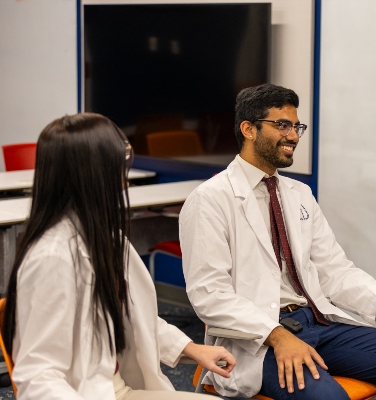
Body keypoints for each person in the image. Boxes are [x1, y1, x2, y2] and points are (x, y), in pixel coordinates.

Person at [180, 83, 376, 400]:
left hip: (319, 322)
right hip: (258, 339)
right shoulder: (210, 200)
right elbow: (209, 294)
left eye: (297, 126)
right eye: (282, 125)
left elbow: (333, 269)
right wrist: (276, 335)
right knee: (328, 398)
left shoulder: (299, 194)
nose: (294, 136)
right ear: (249, 129)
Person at [2, 113, 235, 400]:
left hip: (117, 386)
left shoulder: (104, 238)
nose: (125, 180)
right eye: (119, 166)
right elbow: (38, 376)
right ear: (91, 174)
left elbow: (137, 320)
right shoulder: (53, 257)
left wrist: (192, 348)